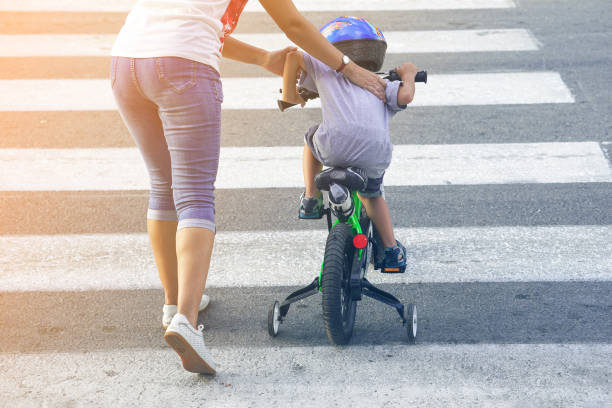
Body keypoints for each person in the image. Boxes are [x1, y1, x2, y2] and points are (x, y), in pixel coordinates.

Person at [110, 1, 386, 375]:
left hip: (126, 63)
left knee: (163, 185)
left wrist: (261, 58)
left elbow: (197, 24)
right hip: (184, 67)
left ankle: (174, 306)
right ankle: (187, 325)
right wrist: (349, 69)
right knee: (194, 195)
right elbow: (292, 22)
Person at [278, 16, 419, 273]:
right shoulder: (383, 85)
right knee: (372, 195)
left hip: (333, 146)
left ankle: (311, 198)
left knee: (312, 140)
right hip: (374, 154)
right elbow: (406, 95)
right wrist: (408, 73)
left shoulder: (323, 67)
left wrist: (291, 93)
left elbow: (292, 56)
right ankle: (390, 251)